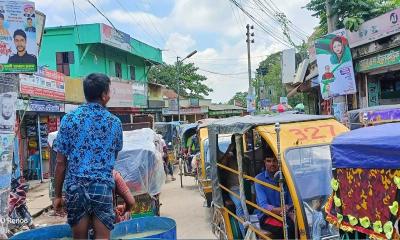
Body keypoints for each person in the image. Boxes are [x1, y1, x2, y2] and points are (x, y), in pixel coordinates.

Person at [53, 73, 124, 239]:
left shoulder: (69, 119)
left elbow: (60, 162)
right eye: (109, 91)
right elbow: (113, 157)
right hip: (102, 187)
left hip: (76, 188)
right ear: (104, 95)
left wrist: (57, 195)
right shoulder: (114, 122)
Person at [255, 155, 295, 239]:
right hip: (267, 216)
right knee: (287, 228)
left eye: (274, 161)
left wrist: (288, 209)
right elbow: (264, 206)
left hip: (286, 213)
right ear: (264, 162)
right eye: (269, 161)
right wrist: (282, 209)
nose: (272, 164)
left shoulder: (286, 177)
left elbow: (291, 201)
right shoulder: (259, 179)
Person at [220, 141, 246, 238]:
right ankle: (244, 235)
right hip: (233, 188)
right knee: (239, 205)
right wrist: (229, 150)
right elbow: (222, 165)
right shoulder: (228, 159)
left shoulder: (245, 159)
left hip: (245, 187)